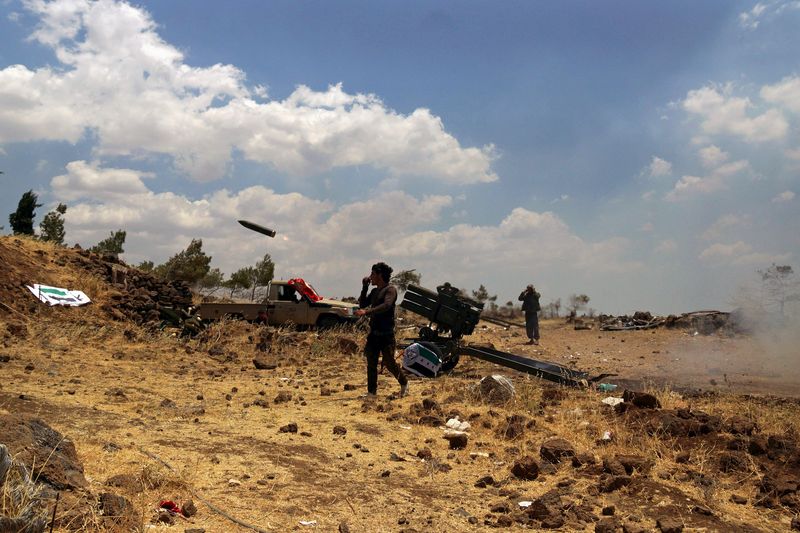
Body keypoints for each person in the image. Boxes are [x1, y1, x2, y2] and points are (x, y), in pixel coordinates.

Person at [355, 262, 408, 398]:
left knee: (389, 362)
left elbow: (387, 305)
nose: (370, 277)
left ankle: (404, 383)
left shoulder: (390, 290)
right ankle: (371, 392)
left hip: (386, 335)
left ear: (379, 275)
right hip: (374, 333)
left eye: (372, 274)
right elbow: (362, 304)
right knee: (371, 362)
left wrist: (367, 312)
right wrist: (364, 287)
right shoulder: (374, 291)